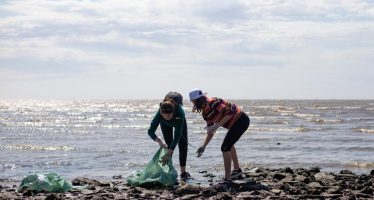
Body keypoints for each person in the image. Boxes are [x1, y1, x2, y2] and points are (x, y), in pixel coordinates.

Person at [189, 89, 250, 185]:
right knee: (229, 145)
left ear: (198, 100)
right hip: (234, 124)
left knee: (225, 148)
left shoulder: (213, 102)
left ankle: (227, 179)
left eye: (193, 101)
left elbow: (230, 113)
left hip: (241, 120)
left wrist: (216, 125)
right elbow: (211, 131)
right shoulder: (205, 113)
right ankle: (237, 170)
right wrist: (203, 146)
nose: (193, 104)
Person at [147, 92, 192, 180]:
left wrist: (170, 151)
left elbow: (177, 134)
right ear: (161, 113)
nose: (167, 117)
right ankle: (168, 171)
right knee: (168, 144)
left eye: (169, 116)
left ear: (173, 112)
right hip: (165, 124)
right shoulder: (159, 115)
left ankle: (183, 173)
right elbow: (150, 131)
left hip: (178, 121)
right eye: (165, 116)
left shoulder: (180, 113)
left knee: (183, 145)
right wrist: (159, 141)